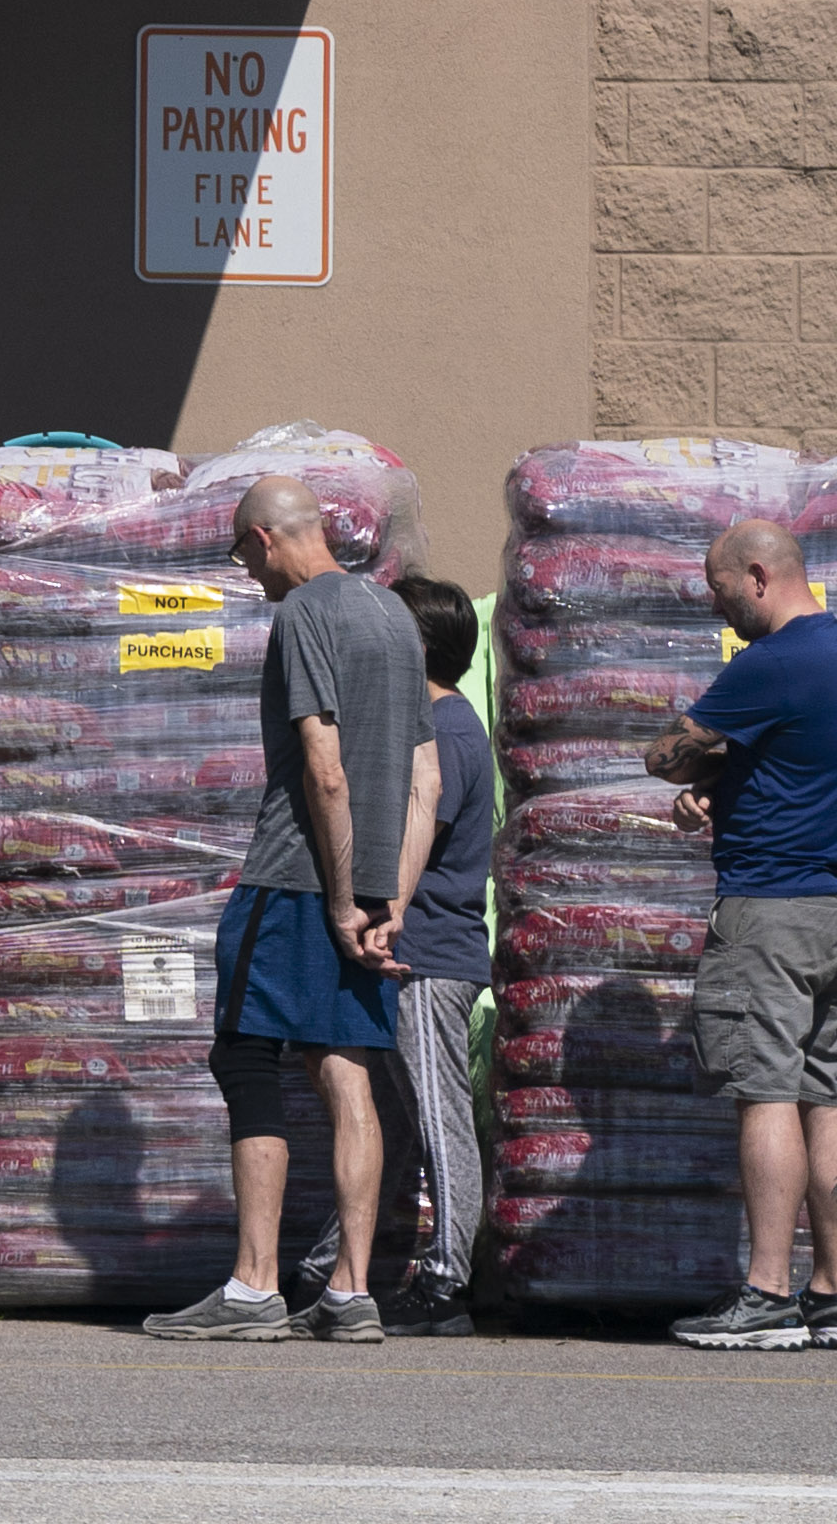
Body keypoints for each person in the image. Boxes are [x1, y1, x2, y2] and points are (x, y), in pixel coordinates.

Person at [141, 470, 426, 1343]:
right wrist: (390, 904)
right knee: (348, 1077)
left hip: (297, 880)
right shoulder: (395, 615)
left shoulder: (304, 613)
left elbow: (325, 766)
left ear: (264, 539)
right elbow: (426, 776)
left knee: (247, 1060)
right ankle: (351, 1291)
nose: (246, 574)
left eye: (241, 554)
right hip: (375, 885)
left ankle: (256, 1287)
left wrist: (341, 902)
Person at [649, 508, 837, 1353]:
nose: (718, 610)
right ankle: (833, 1297)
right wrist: (730, 780)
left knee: (766, 1087)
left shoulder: (773, 662)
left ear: (758, 576)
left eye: (720, 591)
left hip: (770, 913)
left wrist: (697, 766)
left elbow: (662, 753)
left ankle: (765, 1295)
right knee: (823, 1090)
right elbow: (794, 768)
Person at [387, 570, 492, 1336]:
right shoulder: (428, 726)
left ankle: (449, 1279)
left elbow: (419, 837)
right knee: (394, 1122)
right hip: (413, 952)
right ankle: (334, 1263)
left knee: (435, 1114)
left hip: (429, 956)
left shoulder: (447, 732)